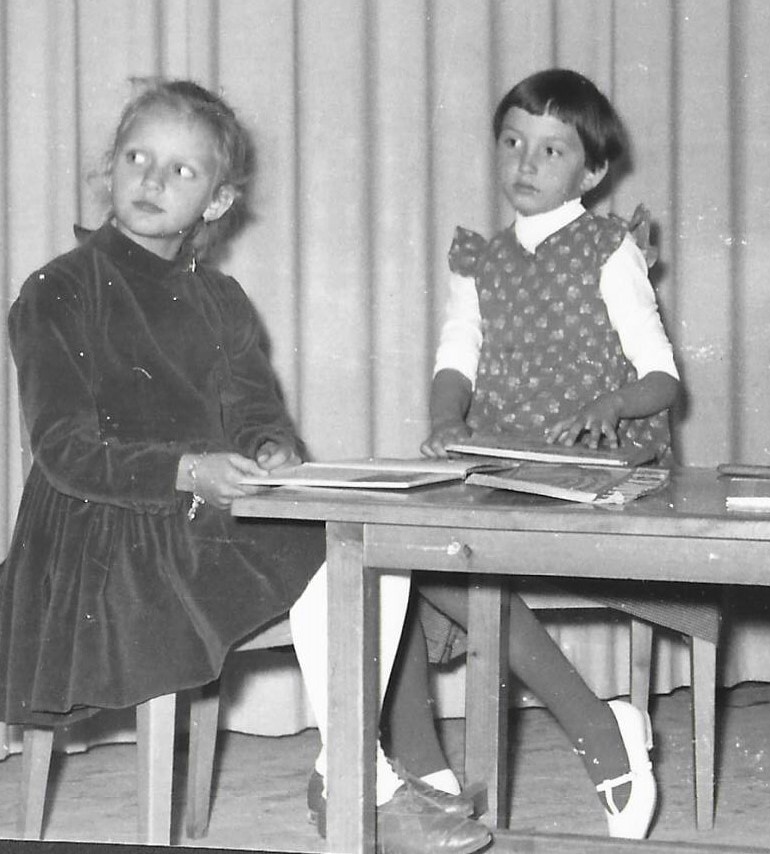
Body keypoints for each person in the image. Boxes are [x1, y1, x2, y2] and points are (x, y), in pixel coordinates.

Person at [0, 79, 492, 854]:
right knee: (338, 558)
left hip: (197, 521)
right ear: (109, 168)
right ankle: (363, 784)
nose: (152, 181)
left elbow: (256, 413)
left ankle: (349, 772)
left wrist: (272, 449)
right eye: (137, 157)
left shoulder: (221, 298)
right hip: (98, 537)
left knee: (366, 549)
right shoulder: (57, 290)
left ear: (219, 203)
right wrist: (189, 469)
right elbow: (63, 451)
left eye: (182, 171)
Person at [400, 67, 680, 841]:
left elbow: (661, 378)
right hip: (503, 456)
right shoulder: (480, 259)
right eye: (514, 142)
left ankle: (592, 725)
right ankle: (425, 774)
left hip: (599, 459)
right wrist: (444, 419)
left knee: (427, 565)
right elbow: (456, 353)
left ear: (591, 172)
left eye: (550, 151)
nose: (525, 163)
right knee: (399, 556)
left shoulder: (608, 247)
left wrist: (608, 405)